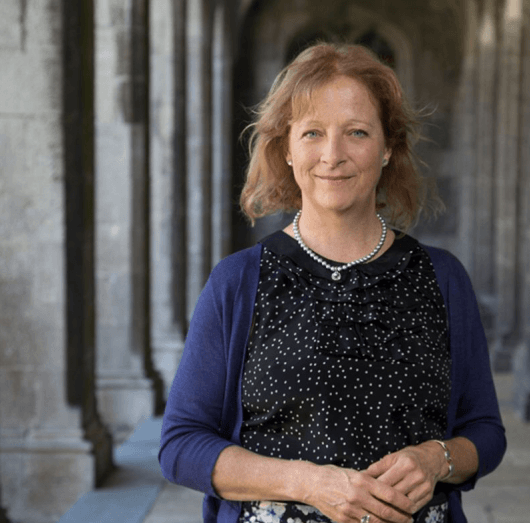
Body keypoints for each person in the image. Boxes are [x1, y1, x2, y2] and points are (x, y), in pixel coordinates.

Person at [159, 42, 506, 523]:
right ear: (286, 147)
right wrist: (307, 482)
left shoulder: (442, 277)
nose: (333, 155)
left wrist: (436, 459)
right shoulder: (237, 282)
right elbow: (181, 446)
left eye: (357, 133)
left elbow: (485, 432)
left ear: (387, 148)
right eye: (313, 133)